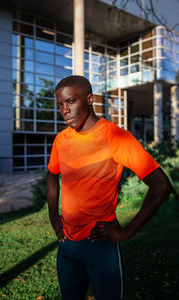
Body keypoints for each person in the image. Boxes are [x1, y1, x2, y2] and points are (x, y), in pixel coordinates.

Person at [46, 75, 172, 300]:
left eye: (71, 101)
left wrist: (127, 231)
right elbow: (52, 175)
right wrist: (53, 216)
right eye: (60, 105)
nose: (64, 110)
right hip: (67, 245)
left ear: (90, 99)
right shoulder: (61, 140)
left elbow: (161, 185)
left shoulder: (115, 137)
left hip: (100, 245)